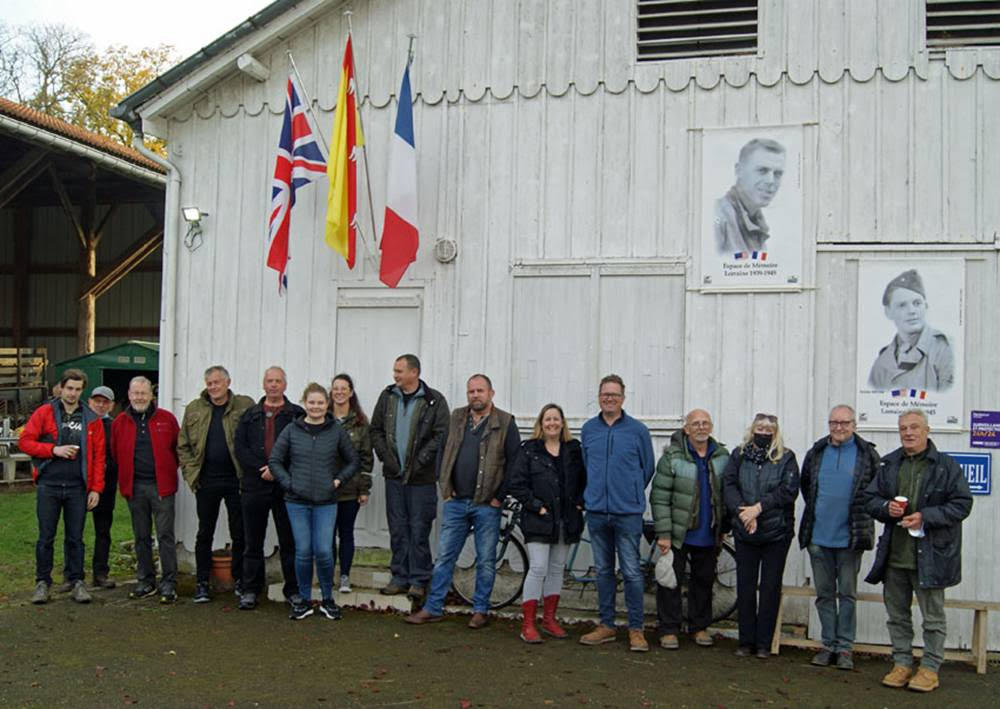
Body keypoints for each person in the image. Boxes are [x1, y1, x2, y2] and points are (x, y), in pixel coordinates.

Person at [862, 409, 972, 693]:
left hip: (931, 557)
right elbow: (870, 499)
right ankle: (901, 664)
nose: (908, 433)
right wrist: (886, 507)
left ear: (927, 430)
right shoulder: (889, 464)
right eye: (903, 428)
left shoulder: (946, 466)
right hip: (895, 556)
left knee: (932, 619)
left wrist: (925, 517)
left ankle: (930, 669)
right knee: (897, 616)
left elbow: (962, 504)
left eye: (914, 427)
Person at [406, 374, 521, 628]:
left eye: (480, 390)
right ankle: (433, 607)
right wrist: (445, 486)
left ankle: (480, 610)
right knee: (445, 557)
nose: (475, 395)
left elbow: (515, 463)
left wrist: (499, 497)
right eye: (471, 391)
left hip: (487, 505)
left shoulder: (505, 422)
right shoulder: (457, 417)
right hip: (456, 502)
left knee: (486, 560)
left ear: (491, 393)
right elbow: (442, 451)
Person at [578, 374, 655, 652]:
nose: (609, 398)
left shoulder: (638, 431)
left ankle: (636, 629)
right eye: (605, 394)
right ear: (599, 397)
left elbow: (648, 467)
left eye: (614, 394)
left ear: (623, 398)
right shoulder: (589, 429)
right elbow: (586, 466)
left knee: (632, 572)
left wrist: (629, 492)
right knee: (603, 571)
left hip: (627, 513)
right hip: (597, 512)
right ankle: (607, 625)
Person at [798, 404, 879, 670]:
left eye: (844, 423)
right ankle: (827, 645)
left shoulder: (867, 454)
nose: (839, 427)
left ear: (854, 425)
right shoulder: (816, 452)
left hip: (850, 539)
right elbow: (807, 487)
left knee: (847, 595)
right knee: (824, 595)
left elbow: (875, 490)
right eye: (834, 422)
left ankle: (844, 648)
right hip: (818, 538)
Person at [269, 383, 359, 620]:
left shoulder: (336, 431)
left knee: (324, 551)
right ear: (304, 403)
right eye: (312, 402)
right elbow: (275, 461)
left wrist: (338, 481)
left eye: (320, 402)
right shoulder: (291, 430)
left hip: (326, 502)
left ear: (327, 404)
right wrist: (289, 483)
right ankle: (304, 600)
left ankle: (328, 599)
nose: (316, 407)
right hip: (296, 502)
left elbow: (353, 461)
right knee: (303, 551)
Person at [20, 368, 105, 604]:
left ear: (82, 391)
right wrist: (53, 450)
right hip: (49, 485)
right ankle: (42, 582)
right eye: (69, 388)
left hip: (78, 487)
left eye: (77, 389)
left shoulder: (92, 419)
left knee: (75, 538)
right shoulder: (45, 412)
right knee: (46, 537)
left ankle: (76, 581)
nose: (72, 393)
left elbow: (99, 457)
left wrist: (96, 488)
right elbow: (25, 442)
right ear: (61, 387)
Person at [369, 354, 449, 604]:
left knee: (419, 528)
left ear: (414, 372)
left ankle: (419, 580)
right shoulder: (387, 396)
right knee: (398, 528)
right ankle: (399, 576)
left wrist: (420, 460)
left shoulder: (434, 400)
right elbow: (375, 430)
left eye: (399, 371)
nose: (395, 375)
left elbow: (441, 435)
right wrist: (387, 458)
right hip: (394, 477)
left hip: (421, 479)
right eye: (395, 370)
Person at [650, 408, 730, 650]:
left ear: (711, 427)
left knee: (703, 581)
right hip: (677, 533)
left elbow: (727, 494)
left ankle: (699, 627)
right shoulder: (672, 457)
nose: (701, 427)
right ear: (686, 429)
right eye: (695, 423)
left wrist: (724, 526)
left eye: (705, 423)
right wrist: (664, 533)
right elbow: (660, 496)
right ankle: (669, 629)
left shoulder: (722, 456)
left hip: (708, 532)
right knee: (670, 582)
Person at [507, 403, 586, 643]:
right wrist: (536, 505)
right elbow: (516, 483)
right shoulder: (529, 450)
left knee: (556, 568)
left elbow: (585, 479)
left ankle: (549, 619)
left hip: (566, 519)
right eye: (547, 419)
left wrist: (580, 502)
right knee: (538, 567)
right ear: (541, 424)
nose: (552, 423)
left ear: (562, 423)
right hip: (538, 519)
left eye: (556, 419)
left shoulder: (573, 450)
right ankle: (528, 624)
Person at [722, 412, 799, 659]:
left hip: (776, 532)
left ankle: (764, 643)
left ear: (776, 433)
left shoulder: (786, 457)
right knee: (745, 587)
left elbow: (788, 491)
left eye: (769, 429)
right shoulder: (738, 455)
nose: (764, 433)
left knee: (769, 587)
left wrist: (759, 509)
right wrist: (744, 514)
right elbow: (729, 485)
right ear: (752, 429)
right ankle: (746, 641)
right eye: (760, 428)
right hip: (746, 530)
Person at [177, 365, 254, 603]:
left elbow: (254, 438)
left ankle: (240, 580)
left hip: (236, 480)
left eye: (217, 382)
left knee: (240, 532)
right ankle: (202, 582)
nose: (213, 387)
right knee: (205, 533)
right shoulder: (194, 408)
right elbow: (183, 445)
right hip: (206, 480)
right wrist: (191, 474)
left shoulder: (244, 405)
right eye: (209, 383)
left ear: (227, 383)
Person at [233, 366, 304, 610]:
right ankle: (251, 589)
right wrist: (261, 468)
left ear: (285, 385)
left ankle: (293, 590)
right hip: (254, 484)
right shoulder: (250, 415)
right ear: (263, 384)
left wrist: (277, 469)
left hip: (286, 486)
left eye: (278, 381)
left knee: (289, 541)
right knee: (252, 541)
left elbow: (301, 448)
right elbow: (240, 447)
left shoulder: (296, 414)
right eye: (269, 381)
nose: (273, 385)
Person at [111, 376, 181, 603]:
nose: (139, 397)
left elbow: (178, 449)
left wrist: (166, 472)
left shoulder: (167, 419)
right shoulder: (120, 422)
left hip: (161, 487)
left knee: (165, 535)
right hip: (135, 488)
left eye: (144, 393)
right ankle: (145, 580)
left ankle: (169, 582)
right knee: (141, 536)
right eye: (135, 393)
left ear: (151, 395)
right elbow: (115, 453)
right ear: (129, 395)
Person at [867, 269, 955, 392]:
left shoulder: (945, 348)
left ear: (926, 307)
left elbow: (949, 399)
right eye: (902, 305)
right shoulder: (882, 363)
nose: (912, 311)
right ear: (888, 312)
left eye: (917, 303)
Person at [329, 374, 373, 594]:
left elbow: (366, 458)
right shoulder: (323, 418)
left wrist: (364, 489)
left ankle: (345, 576)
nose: (339, 392)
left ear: (351, 392)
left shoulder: (360, 423)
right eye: (335, 388)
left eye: (343, 388)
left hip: (350, 490)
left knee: (346, 533)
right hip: (326, 490)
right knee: (327, 535)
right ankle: (328, 575)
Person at [714, 138, 786, 255]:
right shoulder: (718, 218)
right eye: (762, 171)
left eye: (777, 174)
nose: (771, 181)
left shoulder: (756, 222)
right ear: (739, 171)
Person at [85, 386, 117, 590]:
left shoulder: (114, 427)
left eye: (105, 402)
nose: (100, 405)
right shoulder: (81, 422)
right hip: (80, 484)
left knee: (103, 530)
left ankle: (100, 572)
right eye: (97, 401)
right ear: (90, 402)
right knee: (74, 531)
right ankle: (73, 575)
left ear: (111, 405)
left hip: (106, 485)